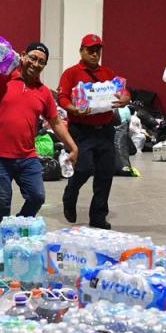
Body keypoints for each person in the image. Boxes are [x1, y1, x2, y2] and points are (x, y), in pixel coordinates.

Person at [0, 41, 78, 238]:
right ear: (23, 56)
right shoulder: (4, 79)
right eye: (33, 58)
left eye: (41, 62)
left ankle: (13, 230)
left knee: (37, 197)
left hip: (27, 156)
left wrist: (73, 146)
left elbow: (56, 122)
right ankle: (3, 240)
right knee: (2, 205)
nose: (35, 64)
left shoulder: (44, 92)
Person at [56, 33, 131, 229]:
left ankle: (98, 216)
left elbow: (123, 91)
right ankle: (70, 193)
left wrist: (125, 98)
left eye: (97, 49)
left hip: (105, 130)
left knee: (105, 174)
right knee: (83, 168)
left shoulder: (108, 72)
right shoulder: (71, 73)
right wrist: (73, 109)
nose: (94, 53)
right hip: (81, 130)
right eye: (90, 49)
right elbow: (62, 98)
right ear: (81, 51)